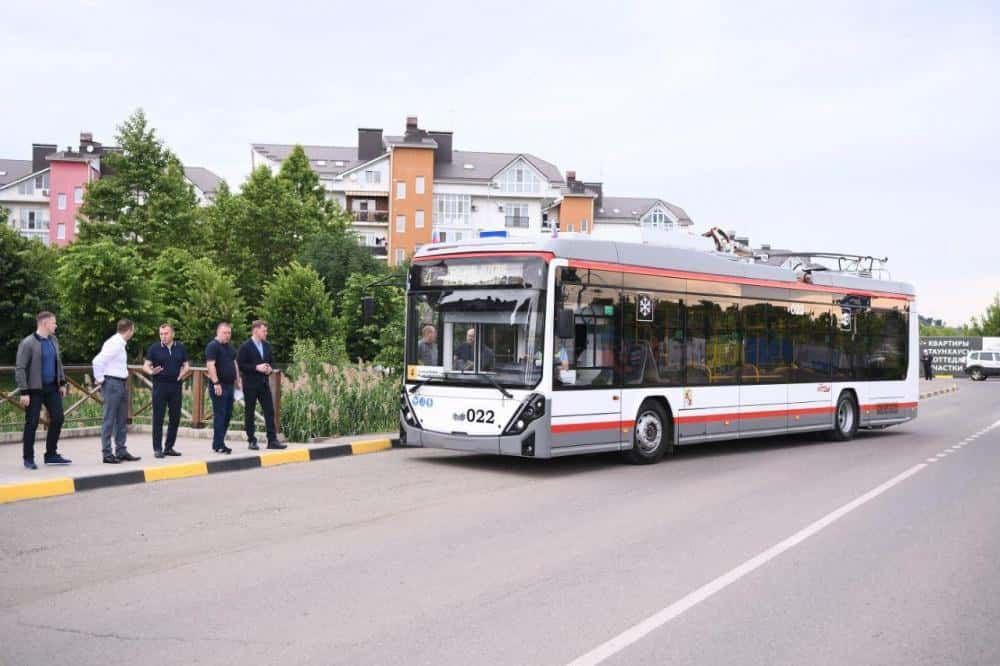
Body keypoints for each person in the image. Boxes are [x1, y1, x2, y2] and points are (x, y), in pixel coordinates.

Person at [15, 312, 72, 469]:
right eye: (54, 323)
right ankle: (28, 458)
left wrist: (61, 383)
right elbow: (20, 369)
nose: (56, 325)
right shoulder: (28, 343)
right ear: (45, 324)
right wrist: (24, 392)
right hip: (34, 390)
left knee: (58, 418)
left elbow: (58, 363)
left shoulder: (53, 340)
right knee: (31, 423)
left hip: (52, 388)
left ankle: (51, 455)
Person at [92, 319, 140, 464]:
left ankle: (121, 450)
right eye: (133, 330)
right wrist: (100, 379)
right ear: (129, 330)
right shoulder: (114, 343)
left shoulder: (119, 343)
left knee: (121, 419)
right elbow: (97, 361)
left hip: (120, 383)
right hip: (112, 383)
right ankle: (107, 453)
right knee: (109, 419)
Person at [237, 320, 285, 451]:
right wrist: (256, 367)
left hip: (264, 384)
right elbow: (241, 365)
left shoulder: (267, 345)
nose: (266, 333)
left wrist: (269, 369)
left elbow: (271, 363)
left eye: (266, 330)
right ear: (255, 331)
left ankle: (272, 440)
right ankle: (252, 440)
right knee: (250, 413)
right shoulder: (245, 347)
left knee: (269, 411)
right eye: (264, 330)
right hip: (250, 385)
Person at [143, 323, 190, 458]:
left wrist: (183, 373)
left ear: (172, 334)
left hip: (176, 386)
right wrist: (151, 371)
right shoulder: (154, 348)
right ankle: (157, 449)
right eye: (161, 334)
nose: (163, 336)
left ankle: (169, 447)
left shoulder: (180, 347)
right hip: (160, 386)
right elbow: (145, 366)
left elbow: (186, 365)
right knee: (158, 418)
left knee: (175, 417)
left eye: (166, 333)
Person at [205, 322, 241, 454]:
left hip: (230, 385)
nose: (227, 336)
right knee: (220, 415)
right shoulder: (212, 346)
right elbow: (210, 365)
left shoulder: (229, 347)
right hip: (219, 385)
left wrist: (238, 381)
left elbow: (234, 363)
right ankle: (219, 444)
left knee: (227, 415)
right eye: (225, 333)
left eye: (229, 333)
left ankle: (218, 443)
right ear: (218, 332)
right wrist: (216, 383)